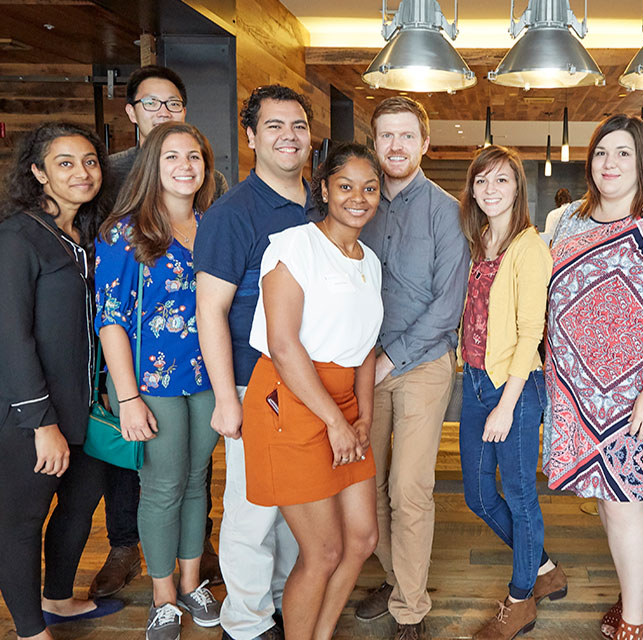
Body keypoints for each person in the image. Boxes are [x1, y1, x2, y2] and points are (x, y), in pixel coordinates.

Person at [543, 114, 643, 640]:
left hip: (638, 389)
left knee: (625, 500)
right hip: (578, 388)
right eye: (602, 152)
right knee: (609, 504)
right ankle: (640, 591)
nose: (610, 163)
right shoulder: (565, 220)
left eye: (624, 153)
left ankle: (635, 622)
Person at [91, 63, 228, 601]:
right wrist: (127, 397)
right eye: (171, 156)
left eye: (193, 156)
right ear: (153, 163)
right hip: (153, 381)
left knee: (198, 484)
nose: (185, 165)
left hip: (210, 376)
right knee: (163, 487)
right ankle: (164, 597)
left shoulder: (215, 225)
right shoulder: (125, 231)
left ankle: (193, 584)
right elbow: (110, 319)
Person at [242, 142, 382, 640]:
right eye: (346, 186)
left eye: (370, 188)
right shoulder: (293, 246)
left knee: (362, 538)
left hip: (344, 406)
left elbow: (366, 347)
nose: (358, 198)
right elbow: (282, 345)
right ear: (324, 189)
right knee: (322, 551)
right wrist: (336, 422)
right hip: (292, 401)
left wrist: (362, 416)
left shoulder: (370, 260)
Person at [195, 85, 319, 640]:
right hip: (255, 382)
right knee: (253, 508)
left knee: (297, 506)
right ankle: (245, 623)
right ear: (250, 137)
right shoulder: (232, 213)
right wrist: (227, 397)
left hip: (311, 384)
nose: (288, 136)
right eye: (274, 126)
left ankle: (280, 602)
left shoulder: (321, 202)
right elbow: (210, 310)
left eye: (297, 125)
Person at [355, 96, 470, 640]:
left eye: (406, 136)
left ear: (424, 143)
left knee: (409, 487)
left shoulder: (448, 211)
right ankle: (394, 575)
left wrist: (391, 357)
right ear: (375, 142)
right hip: (361, 362)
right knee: (365, 482)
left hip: (422, 364)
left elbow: (448, 306)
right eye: (386, 136)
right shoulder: (356, 204)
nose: (395, 146)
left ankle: (410, 609)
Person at [0, 123, 121, 639]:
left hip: (85, 408)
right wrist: (39, 422)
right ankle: (30, 630)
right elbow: (11, 336)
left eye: (90, 161)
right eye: (65, 162)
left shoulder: (85, 235)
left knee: (79, 504)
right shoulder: (17, 237)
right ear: (38, 172)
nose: (82, 172)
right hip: (31, 414)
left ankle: (59, 599)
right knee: (22, 522)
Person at [456, 145, 565, 640]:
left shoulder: (529, 246)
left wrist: (506, 403)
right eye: (482, 181)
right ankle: (542, 566)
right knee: (479, 495)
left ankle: (521, 599)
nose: (490, 190)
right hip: (474, 380)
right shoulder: (479, 240)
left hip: (514, 387)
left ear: (518, 188)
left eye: (501, 181)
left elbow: (531, 332)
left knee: (520, 496)